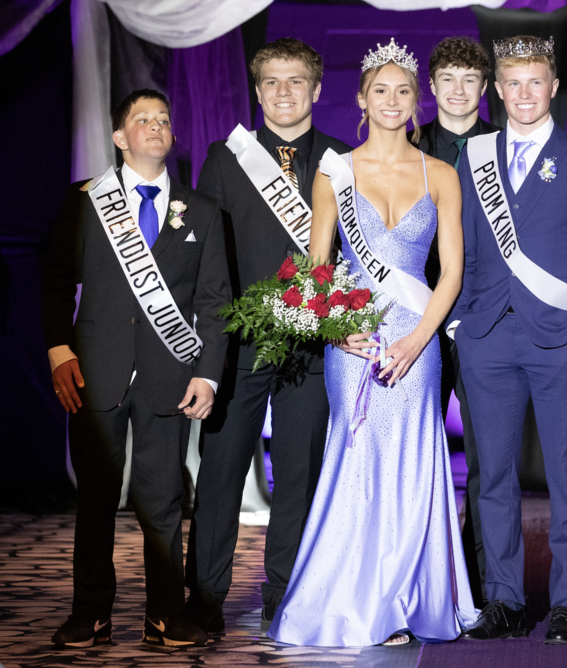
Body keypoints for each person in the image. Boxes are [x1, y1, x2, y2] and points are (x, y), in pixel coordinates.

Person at [268, 38, 475, 647]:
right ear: (361, 99)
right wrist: (336, 329)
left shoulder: (441, 174)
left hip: (419, 336)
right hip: (354, 340)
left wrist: (416, 340)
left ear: (417, 102)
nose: (391, 100)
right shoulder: (335, 172)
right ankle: (355, 597)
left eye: (403, 91)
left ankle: (406, 598)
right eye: (379, 90)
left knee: (414, 463)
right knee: (357, 460)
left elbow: (453, 272)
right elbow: (317, 268)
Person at [42, 90, 231, 648]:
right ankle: (90, 614)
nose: (155, 126)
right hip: (94, 372)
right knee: (96, 499)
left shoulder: (201, 211)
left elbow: (215, 301)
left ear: (172, 136)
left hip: (169, 377)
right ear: (121, 138)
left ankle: (165, 614)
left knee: (164, 502)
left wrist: (208, 373)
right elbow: (54, 279)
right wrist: (58, 349)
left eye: (164, 119)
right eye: (141, 120)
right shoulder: (85, 202)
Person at [450, 35, 567, 644]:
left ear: (553, 87)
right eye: (512, 83)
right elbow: (458, 244)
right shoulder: (473, 157)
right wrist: (458, 324)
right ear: (498, 89)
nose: (524, 94)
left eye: (535, 82)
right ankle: (504, 599)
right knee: (490, 475)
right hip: (486, 336)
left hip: (559, 341)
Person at [185, 38, 352, 633]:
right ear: (257, 92)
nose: (284, 93)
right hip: (240, 345)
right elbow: (206, 259)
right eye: (272, 83)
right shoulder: (227, 158)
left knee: (299, 477)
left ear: (317, 88)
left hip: (313, 346)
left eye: (296, 81)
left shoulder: (342, 157)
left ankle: (286, 595)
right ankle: (204, 598)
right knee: (222, 471)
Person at [413, 36, 499, 606]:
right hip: (417, 317)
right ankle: (422, 576)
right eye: (448, 79)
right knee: (417, 449)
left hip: (488, 318)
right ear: (433, 86)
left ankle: (486, 583)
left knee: (491, 459)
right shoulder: (408, 145)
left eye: (470, 80)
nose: (459, 90)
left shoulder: (508, 145)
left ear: (484, 87)